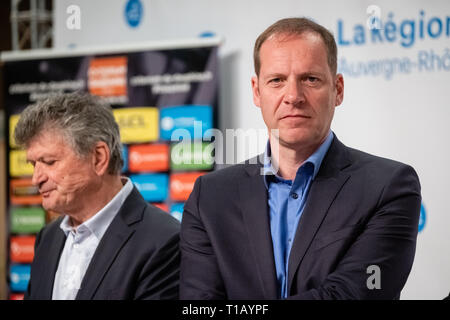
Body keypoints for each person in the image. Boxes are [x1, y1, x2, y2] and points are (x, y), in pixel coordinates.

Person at [179, 17, 421, 299]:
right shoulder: (209, 197)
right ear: (257, 91)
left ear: (338, 89)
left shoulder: (388, 187)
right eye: (277, 80)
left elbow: (352, 295)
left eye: (310, 79)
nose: (293, 96)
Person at [15, 92, 180, 300]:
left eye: (48, 162)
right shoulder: (48, 238)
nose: (35, 179)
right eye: (33, 165)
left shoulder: (163, 241)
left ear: (98, 158)